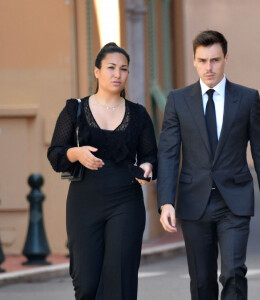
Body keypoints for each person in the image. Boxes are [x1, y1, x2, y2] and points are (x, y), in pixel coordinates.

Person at [47, 42, 157, 300]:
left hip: (126, 202)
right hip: (84, 203)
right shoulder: (73, 110)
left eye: (123, 69)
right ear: (96, 71)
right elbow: (55, 154)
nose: (117, 74)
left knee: (119, 278)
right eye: (110, 67)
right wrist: (76, 154)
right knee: (86, 282)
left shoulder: (139, 115)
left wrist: (147, 166)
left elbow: (151, 155)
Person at [157, 30, 260, 299]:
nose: (209, 67)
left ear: (226, 58)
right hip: (194, 202)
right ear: (194, 61)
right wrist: (166, 200)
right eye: (202, 61)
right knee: (201, 282)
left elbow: (259, 152)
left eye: (214, 60)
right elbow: (168, 153)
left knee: (234, 273)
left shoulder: (248, 98)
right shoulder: (178, 100)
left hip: (234, 201)